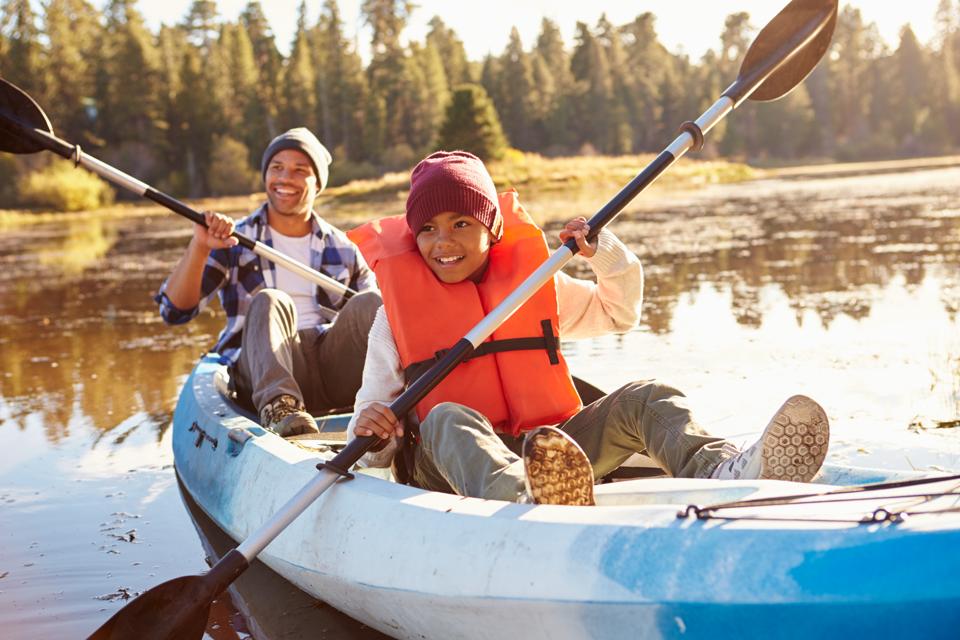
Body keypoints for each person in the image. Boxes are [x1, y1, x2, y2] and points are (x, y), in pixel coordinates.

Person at [346, 150, 829, 505]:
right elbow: (371, 429)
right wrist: (375, 432)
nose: (442, 241)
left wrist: (605, 255)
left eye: (460, 223)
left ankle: (723, 471)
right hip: (444, 467)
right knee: (447, 416)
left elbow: (618, 312)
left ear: (492, 229)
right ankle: (525, 500)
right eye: (427, 229)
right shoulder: (395, 317)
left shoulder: (531, 288)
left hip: (551, 453)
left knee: (648, 397)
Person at [155, 128, 381, 437]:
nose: (285, 178)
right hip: (260, 371)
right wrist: (201, 246)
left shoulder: (343, 248)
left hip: (329, 369)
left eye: (300, 170)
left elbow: (377, 324)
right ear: (265, 176)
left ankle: (394, 409)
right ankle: (281, 408)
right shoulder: (234, 240)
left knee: (372, 304)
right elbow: (174, 312)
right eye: (277, 168)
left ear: (318, 185)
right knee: (272, 299)